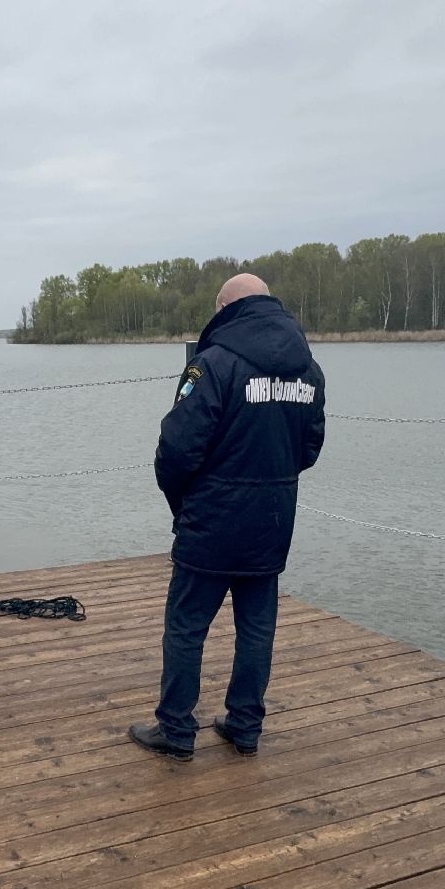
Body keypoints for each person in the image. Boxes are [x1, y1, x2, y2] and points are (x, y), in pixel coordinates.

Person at [130, 274, 326, 761]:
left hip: (213, 520)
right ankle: (245, 726)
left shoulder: (213, 364)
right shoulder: (308, 370)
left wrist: (185, 505)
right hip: (273, 520)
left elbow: (176, 450)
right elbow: (310, 446)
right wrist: (271, 484)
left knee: (186, 627)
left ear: (224, 307)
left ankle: (176, 730)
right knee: (257, 628)